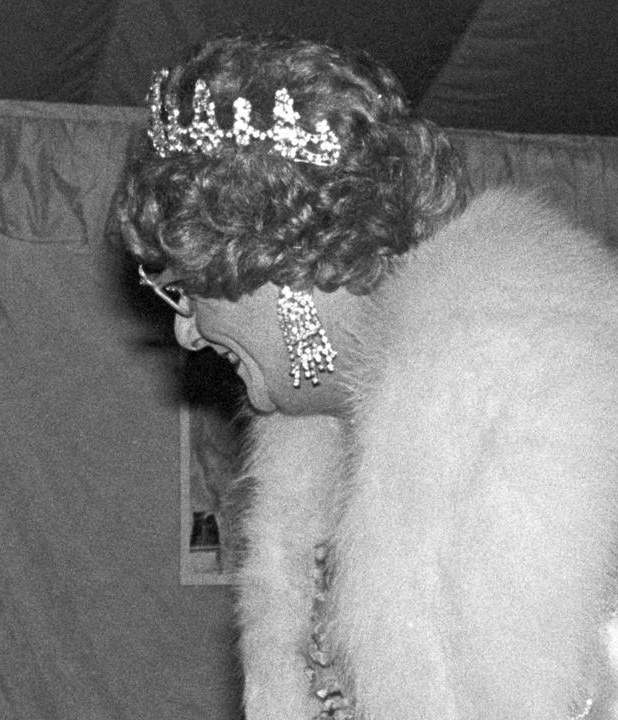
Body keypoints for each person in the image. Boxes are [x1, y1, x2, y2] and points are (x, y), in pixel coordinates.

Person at [115, 35, 618, 720]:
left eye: (187, 288)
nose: (186, 329)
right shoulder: (325, 453)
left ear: (282, 270)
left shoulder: (547, 414)